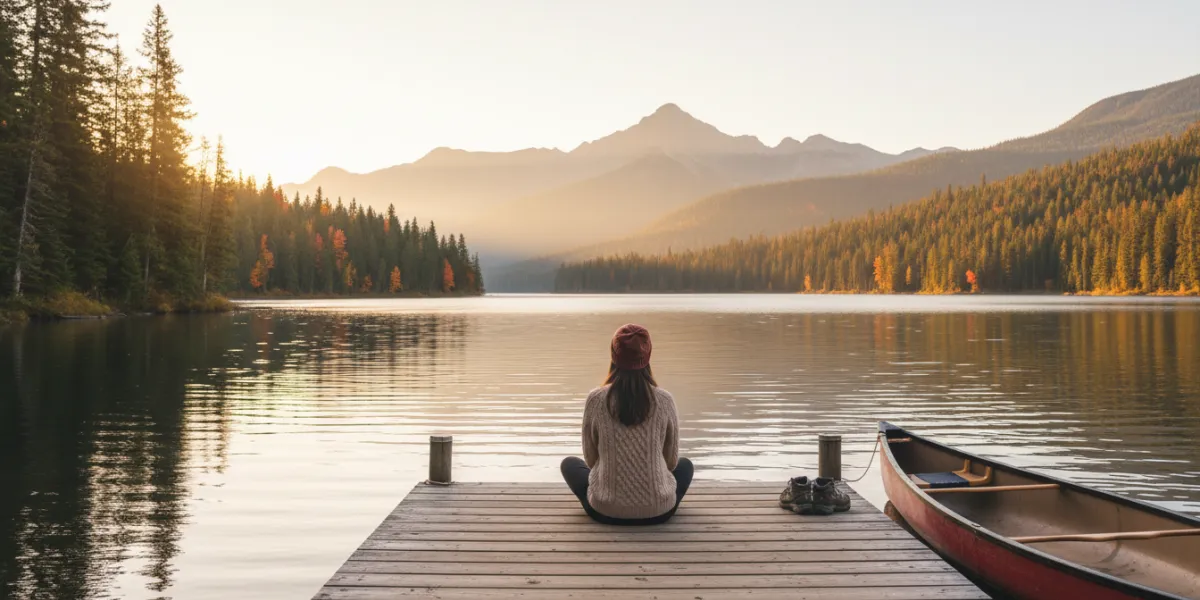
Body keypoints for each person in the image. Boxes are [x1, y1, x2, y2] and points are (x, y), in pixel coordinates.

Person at [560, 324, 693, 525]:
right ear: (647, 356)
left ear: (614, 355)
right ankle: (653, 498)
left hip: (605, 510)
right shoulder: (665, 400)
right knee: (685, 466)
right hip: (659, 511)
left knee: (570, 464)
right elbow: (671, 462)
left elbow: (590, 459)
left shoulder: (596, 399)